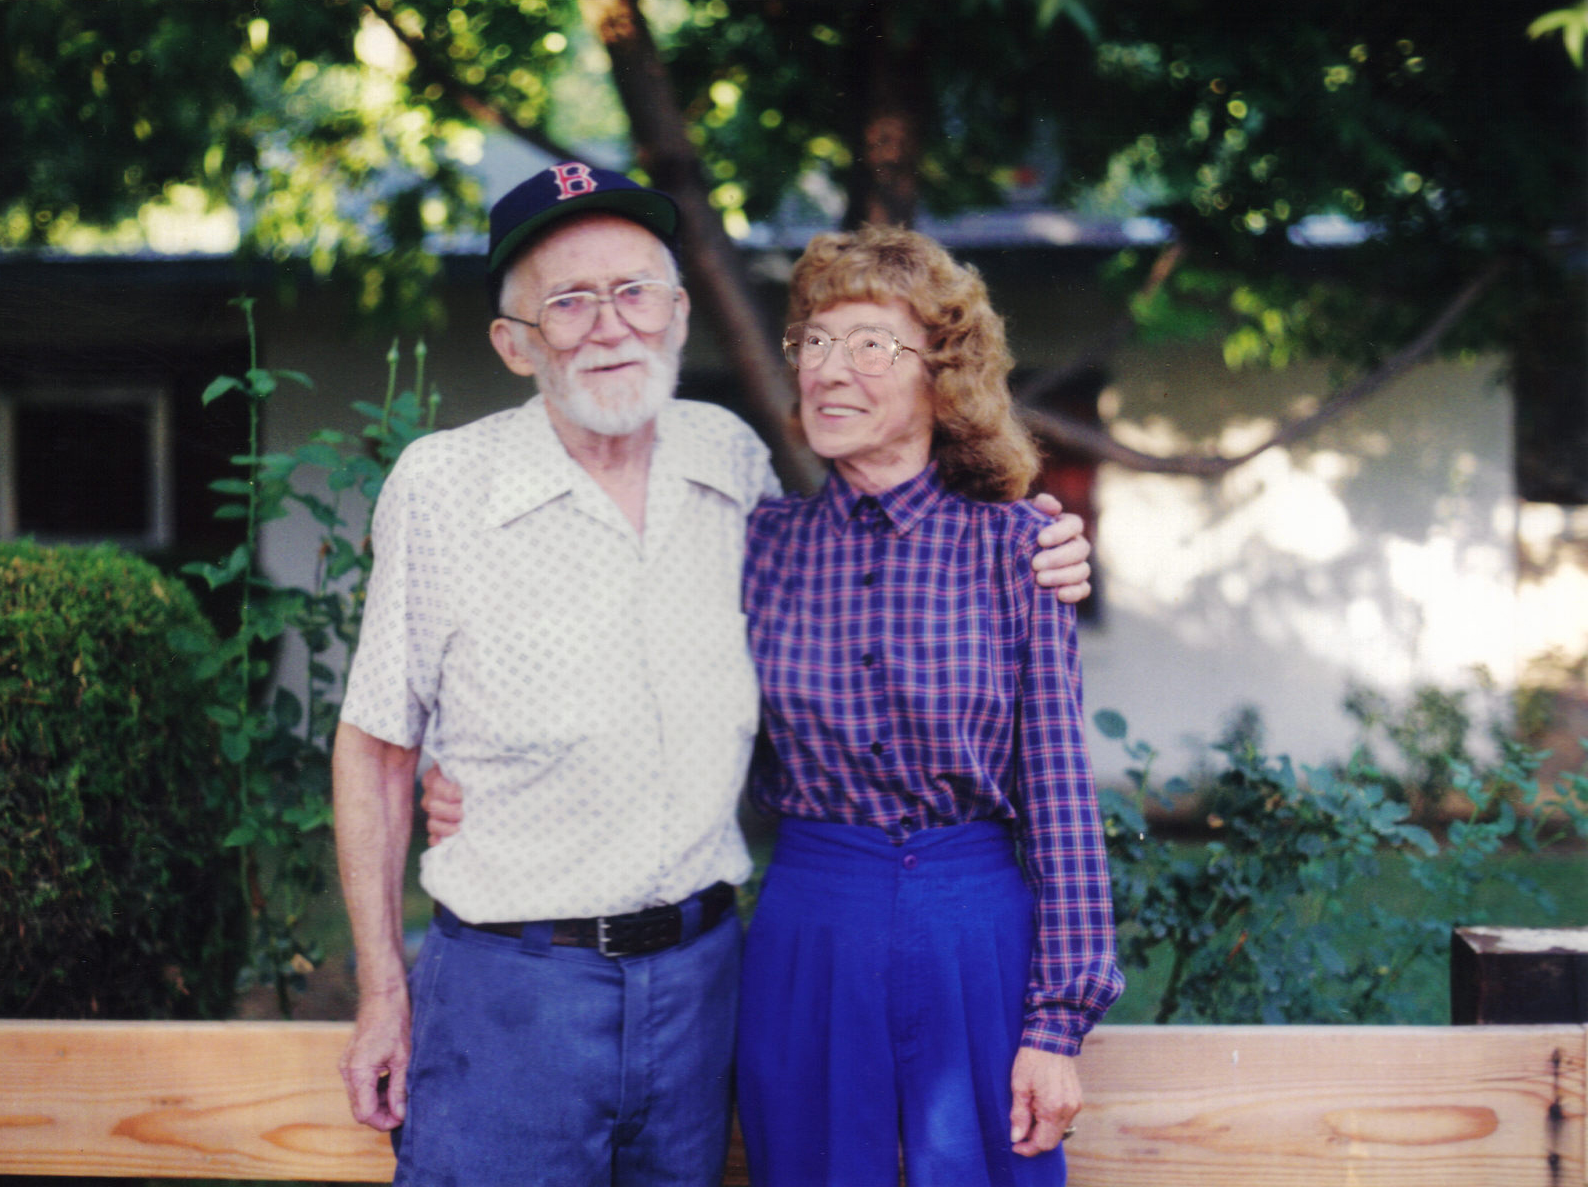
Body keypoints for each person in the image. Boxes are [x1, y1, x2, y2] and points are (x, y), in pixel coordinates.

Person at [339, 161, 1093, 1187]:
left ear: (679, 313)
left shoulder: (742, 472)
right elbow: (386, 740)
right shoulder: (463, 489)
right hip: (546, 985)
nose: (610, 324)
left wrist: (1041, 539)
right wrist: (396, 954)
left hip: (728, 976)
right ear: (514, 342)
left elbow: (1030, 775)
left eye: (634, 289)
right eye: (569, 301)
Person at [734, 226, 1124, 1187]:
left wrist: (1056, 1024)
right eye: (814, 343)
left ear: (940, 379)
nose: (830, 369)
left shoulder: (1015, 549)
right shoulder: (759, 548)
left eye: (871, 345)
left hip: (973, 926)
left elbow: (1061, 798)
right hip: (810, 928)